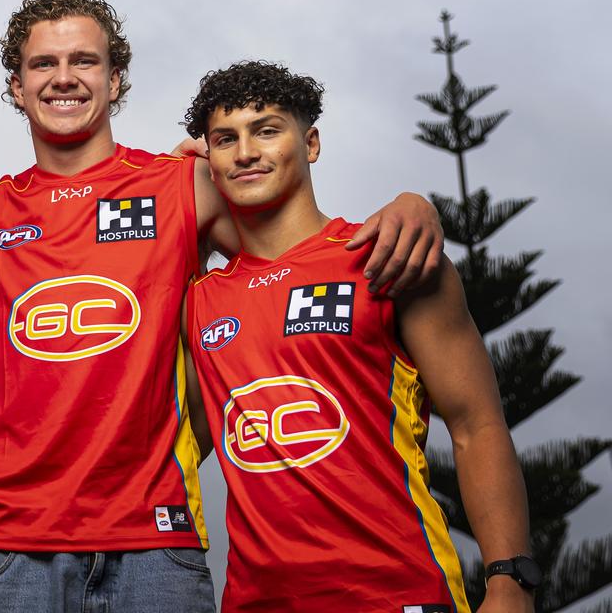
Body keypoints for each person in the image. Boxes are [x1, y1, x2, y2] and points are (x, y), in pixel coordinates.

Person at [0, 0, 445, 612]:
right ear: (16, 84)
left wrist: (415, 204)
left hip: (156, 546)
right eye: (42, 64)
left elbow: (295, 247)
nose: (64, 78)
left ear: (115, 80)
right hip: (7, 549)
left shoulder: (187, 185)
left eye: (84, 61)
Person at [182, 61, 534, 612]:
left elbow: (476, 424)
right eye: (226, 139)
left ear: (312, 143)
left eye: (268, 130)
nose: (246, 152)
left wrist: (509, 580)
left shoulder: (389, 257)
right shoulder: (201, 300)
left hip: (400, 593)